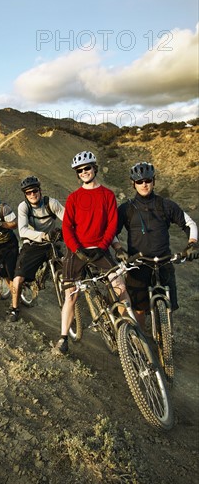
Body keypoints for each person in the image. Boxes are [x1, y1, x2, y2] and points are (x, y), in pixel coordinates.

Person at [55, 150, 129, 354]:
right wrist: (77, 250)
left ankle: (127, 329)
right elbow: (67, 227)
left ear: (94, 168)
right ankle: (63, 338)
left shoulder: (107, 195)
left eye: (87, 168)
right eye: (80, 170)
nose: (84, 172)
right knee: (70, 294)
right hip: (76, 250)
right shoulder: (73, 198)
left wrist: (103, 246)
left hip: (100, 248)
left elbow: (112, 224)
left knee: (119, 284)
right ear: (77, 174)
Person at [115, 161, 198, 330]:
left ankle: (165, 337)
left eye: (148, 180)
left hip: (164, 261)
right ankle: (142, 343)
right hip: (138, 264)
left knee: (168, 307)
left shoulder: (166, 205)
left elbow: (189, 224)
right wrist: (118, 249)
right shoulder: (126, 208)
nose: (144, 184)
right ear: (133, 184)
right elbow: (111, 233)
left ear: (154, 181)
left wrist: (192, 243)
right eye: (139, 181)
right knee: (138, 309)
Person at [9, 176, 65, 322]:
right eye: (28, 193)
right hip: (33, 244)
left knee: (67, 270)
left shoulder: (51, 203)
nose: (32, 195)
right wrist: (43, 235)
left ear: (40, 190)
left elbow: (68, 219)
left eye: (34, 191)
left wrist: (65, 232)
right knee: (19, 278)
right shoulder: (24, 207)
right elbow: (22, 231)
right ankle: (14, 309)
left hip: (51, 243)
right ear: (25, 195)